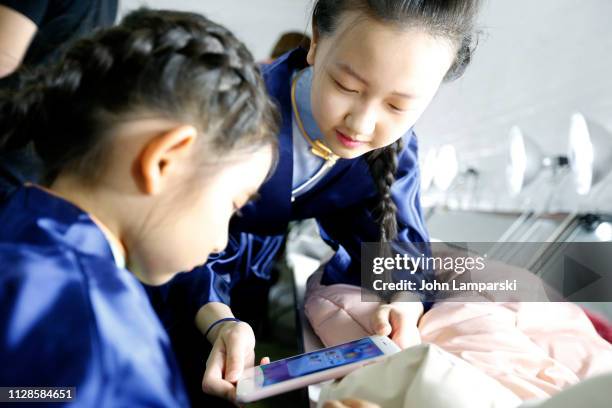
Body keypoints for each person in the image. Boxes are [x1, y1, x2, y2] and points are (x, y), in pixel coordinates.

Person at [0, 8, 277, 407]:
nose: (220, 243)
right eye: (232, 205)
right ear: (165, 160)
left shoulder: (19, 217)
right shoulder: (106, 330)